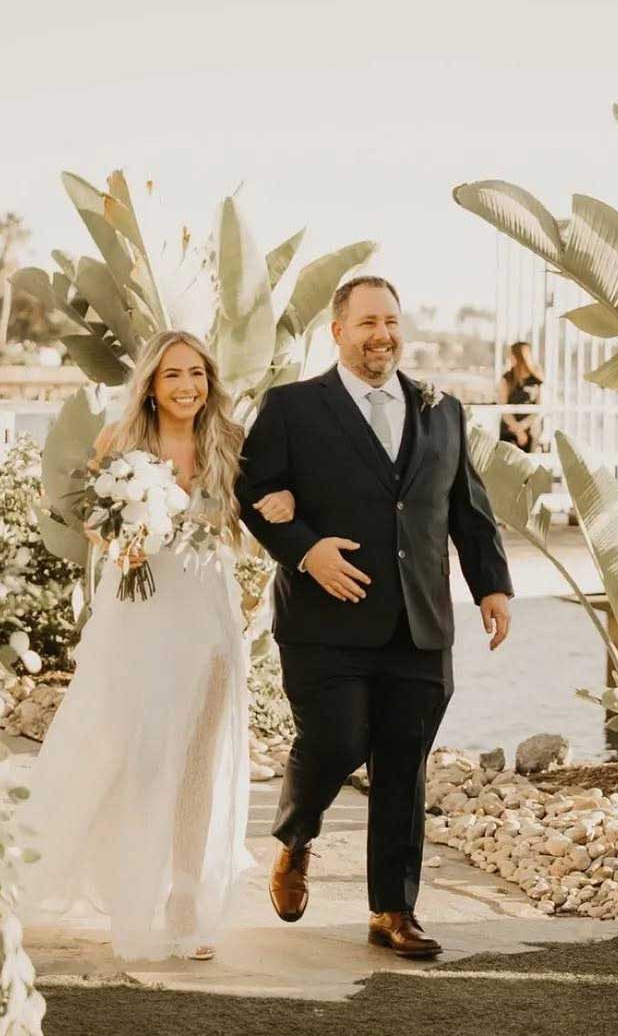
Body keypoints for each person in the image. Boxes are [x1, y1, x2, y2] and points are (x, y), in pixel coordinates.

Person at [237, 274, 513, 959]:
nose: (381, 334)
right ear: (337, 332)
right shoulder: (293, 408)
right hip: (325, 623)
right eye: (366, 323)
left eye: (391, 320)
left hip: (420, 624)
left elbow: (466, 510)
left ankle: (393, 908)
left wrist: (493, 588)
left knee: (403, 766)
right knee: (334, 743)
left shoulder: (441, 409)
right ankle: (296, 837)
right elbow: (252, 492)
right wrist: (305, 551)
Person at [17, 330, 291, 962]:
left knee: (198, 758)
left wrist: (285, 502)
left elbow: (245, 519)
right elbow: (95, 523)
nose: (187, 386)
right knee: (133, 753)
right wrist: (122, 542)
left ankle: (185, 900)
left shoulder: (226, 442)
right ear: (151, 384)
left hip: (205, 610)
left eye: (196, 373)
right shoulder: (121, 443)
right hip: (136, 611)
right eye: (173, 375)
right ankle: (132, 887)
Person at [497, 341, 544, 452]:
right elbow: (503, 407)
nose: (509, 358)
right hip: (509, 429)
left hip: (530, 430)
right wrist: (517, 430)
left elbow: (539, 408)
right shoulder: (506, 378)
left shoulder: (536, 379)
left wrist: (523, 426)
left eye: (512, 355)